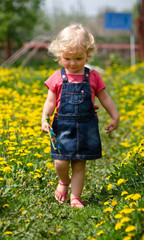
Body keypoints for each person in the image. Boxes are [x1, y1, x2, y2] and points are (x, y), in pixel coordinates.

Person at [41, 24, 119, 208]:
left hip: (86, 127)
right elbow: (50, 102)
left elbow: (104, 97)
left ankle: (75, 197)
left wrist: (115, 116)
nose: (73, 63)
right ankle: (63, 182)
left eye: (79, 58)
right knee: (60, 161)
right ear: (59, 55)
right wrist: (44, 118)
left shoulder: (93, 76)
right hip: (62, 126)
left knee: (79, 165)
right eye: (67, 58)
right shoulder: (57, 77)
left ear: (88, 55)